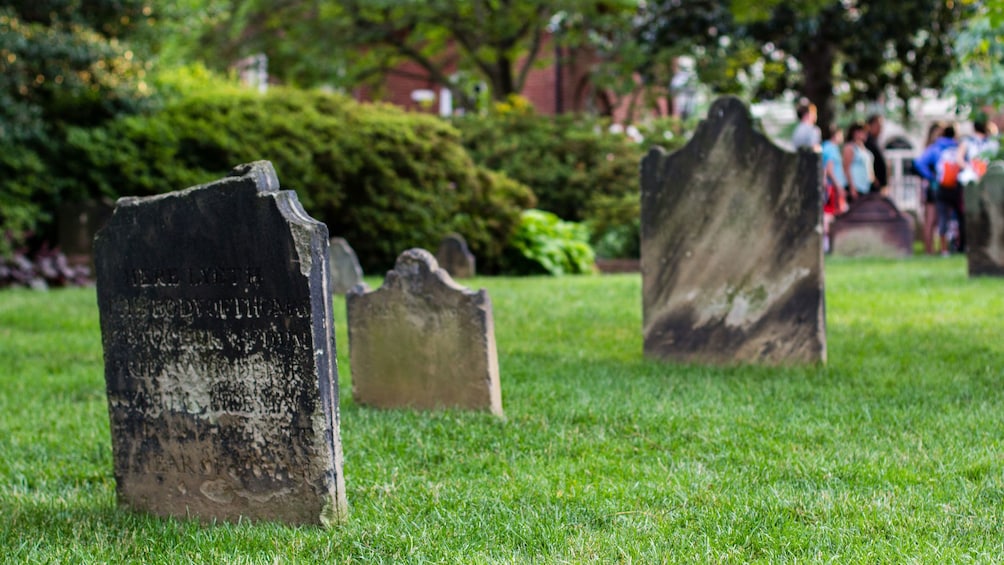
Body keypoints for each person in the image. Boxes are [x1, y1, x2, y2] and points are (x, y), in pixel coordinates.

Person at [914, 124, 964, 256]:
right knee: (958, 218)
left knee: (939, 218)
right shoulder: (959, 146)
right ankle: (959, 247)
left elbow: (919, 163)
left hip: (939, 187)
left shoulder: (935, 147)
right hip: (956, 186)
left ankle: (940, 249)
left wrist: (931, 177)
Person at [820, 124, 847, 252]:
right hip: (831, 186)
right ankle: (827, 244)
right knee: (829, 215)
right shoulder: (831, 149)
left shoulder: (827, 147)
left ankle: (828, 243)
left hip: (830, 185)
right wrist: (838, 185)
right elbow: (829, 169)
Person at [918, 122, 944, 255]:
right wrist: (932, 176)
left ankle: (933, 248)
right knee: (930, 219)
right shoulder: (933, 149)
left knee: (935, 220)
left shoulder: (932, 148)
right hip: (931, 187)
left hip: (932, 187)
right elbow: (919, 164)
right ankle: (929, 249)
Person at [842, 122, 874, 202]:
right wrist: (852, 188)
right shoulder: (850, 147)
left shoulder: (864, 148)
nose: (866, 134)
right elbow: (846, 168)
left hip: (866, 187)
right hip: (856, 187)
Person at [864, 114, 888, 194]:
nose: (880, 128)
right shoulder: (867, 142)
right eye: (878, 125)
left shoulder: (875, 141)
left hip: (879, 185)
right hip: (873, 186)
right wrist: (874, 179)